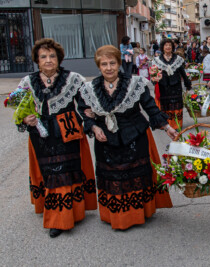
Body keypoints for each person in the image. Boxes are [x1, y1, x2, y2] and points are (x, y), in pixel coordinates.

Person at [78, 45, 175, 230]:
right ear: (98, 66)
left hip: (134, 136)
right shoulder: (89, 88)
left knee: (136, 175)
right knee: (112, 176)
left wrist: (167, 127)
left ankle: (138, 213)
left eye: (112, 63)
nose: (108, 68)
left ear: (119, 63)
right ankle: (115, 214)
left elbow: (150, 107)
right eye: (104, 64)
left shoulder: (135, 83)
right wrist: (94, 126)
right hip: (106, 140)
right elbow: (83, 112)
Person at [18, 38, 97, 238]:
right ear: (37, 59)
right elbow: (19, 112)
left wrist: (92, 118)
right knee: (51, 173)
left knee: (65, 172)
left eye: (52, 56)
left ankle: (65, 217)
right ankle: (60, 215)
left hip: (67, 131)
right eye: (43, 56)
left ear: (59, 58)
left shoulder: (74, 78)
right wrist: (25, 119)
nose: (48, 60)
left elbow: (84, 106)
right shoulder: (27, 82)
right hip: (41, 134)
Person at [151, 39, 191, 129]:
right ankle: (165, 124)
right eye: (166, 45)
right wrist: (154, 80)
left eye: (169, 45)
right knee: (165, 104)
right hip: (163, 85)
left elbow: (182, 72)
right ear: (162, 47)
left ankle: (176, 123)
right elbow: (153, 73)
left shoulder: (178, 59)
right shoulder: (157, 60)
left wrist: (187, 83)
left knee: (176, 103)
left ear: (172, 47)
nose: (168, 47)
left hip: (176, 85)